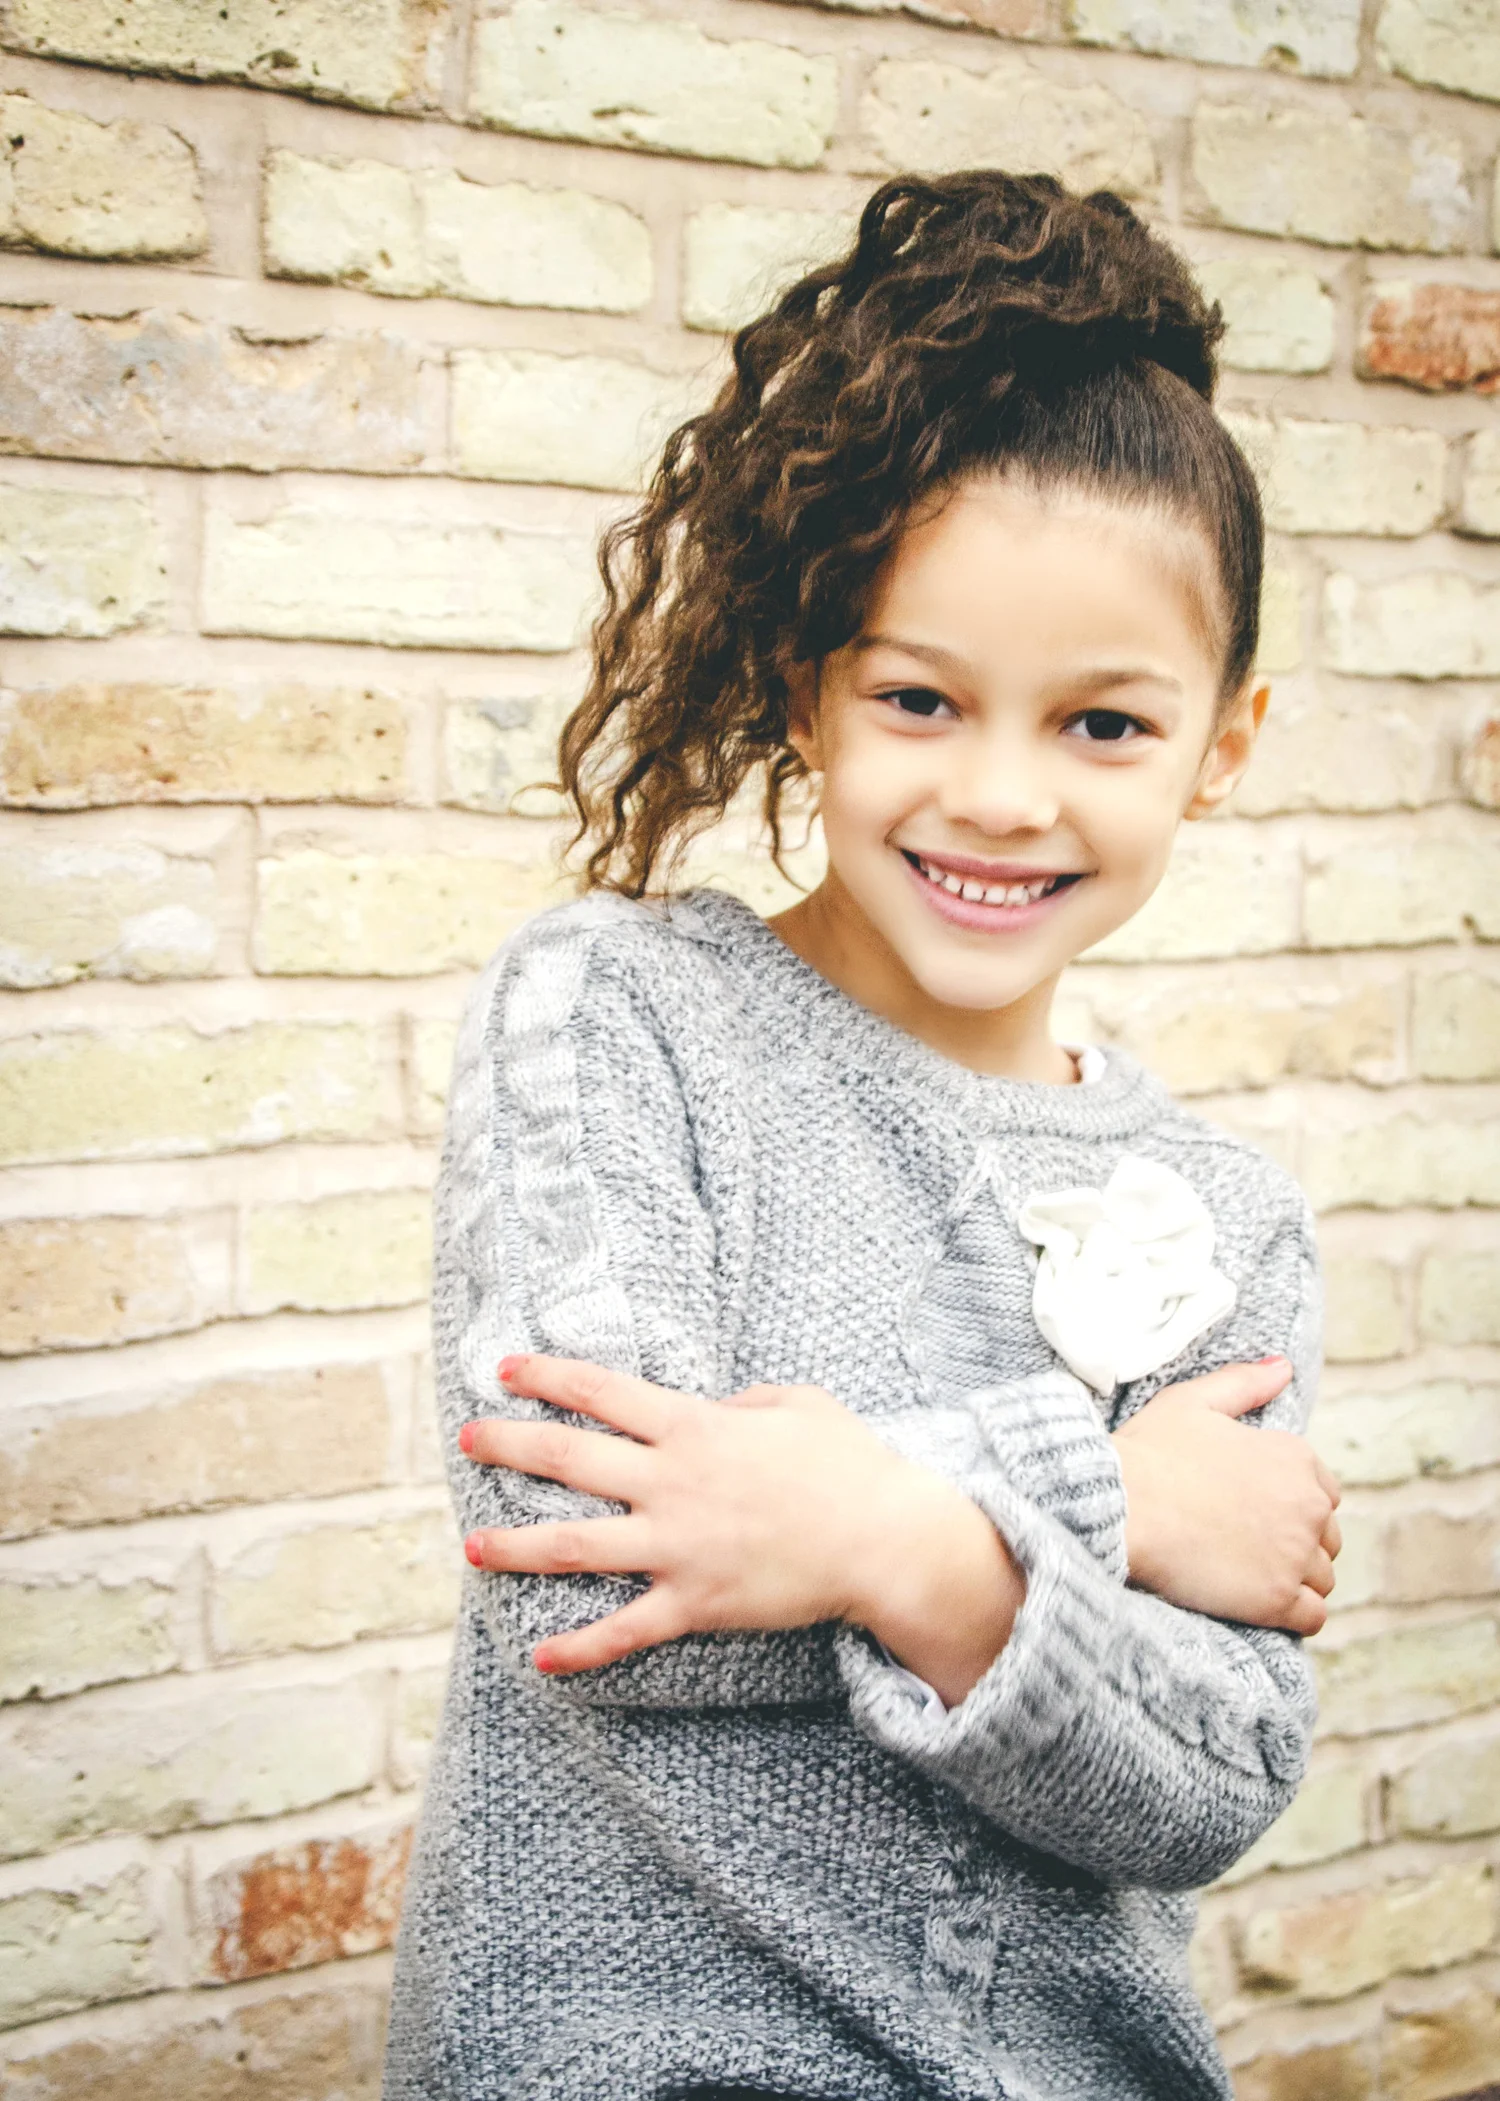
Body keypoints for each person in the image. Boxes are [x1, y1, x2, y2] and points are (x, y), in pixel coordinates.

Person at [383, 170, 1343, 2101]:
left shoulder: (1226, 1220)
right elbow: (593, 1578)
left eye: (1104, 726)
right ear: (805, 687)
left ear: (1222, 748)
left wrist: (872, 1532)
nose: (1001, 796)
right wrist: (1101, 1505)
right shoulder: (620, 1012)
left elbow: (1214, 1776)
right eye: (919, 697)